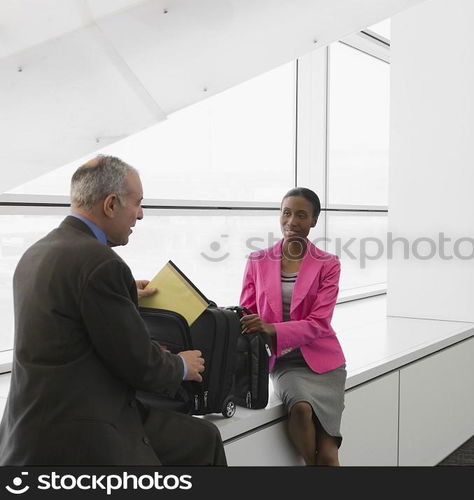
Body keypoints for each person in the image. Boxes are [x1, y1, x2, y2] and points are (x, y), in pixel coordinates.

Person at [0, 155, 227, 465]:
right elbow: (140, 366)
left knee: (198, 438)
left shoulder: (39, 251)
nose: (141, 215)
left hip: (31, 423)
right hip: (82, 427)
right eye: (137, 203)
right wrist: (181, 365)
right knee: (205, 439)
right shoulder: (101, 263)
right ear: (110, 205)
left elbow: (68, 310)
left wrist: (123, 292)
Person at [239, 187, 346, 466]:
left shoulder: (329, 264)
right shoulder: (258, 261)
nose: (292, 221)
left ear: (313, 221)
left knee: (329, 453)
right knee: (299, 409)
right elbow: (247, 312)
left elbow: (319, 323)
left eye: (301, 215)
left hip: (324, 362)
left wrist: (272, 328)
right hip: (284, 361)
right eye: (286, 213)